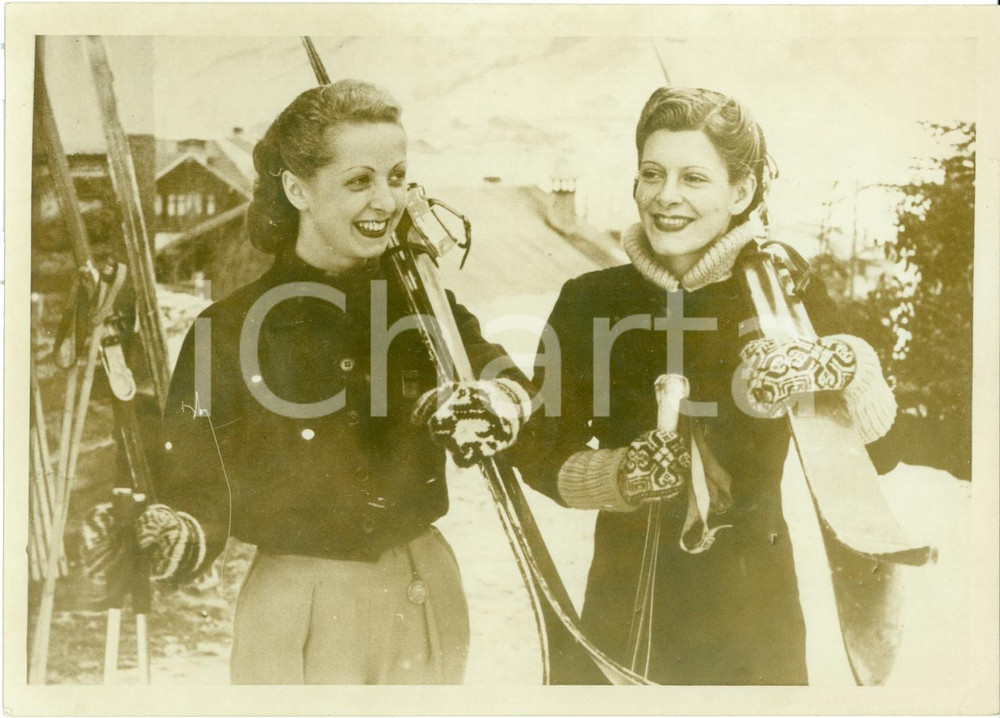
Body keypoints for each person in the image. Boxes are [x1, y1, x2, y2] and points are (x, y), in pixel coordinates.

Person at [80, 79, 532, 685]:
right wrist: (176, 533)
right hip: (298, 608)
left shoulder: (424, 306)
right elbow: (196, 485)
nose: (386, 200)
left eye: (397, 177)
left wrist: (496, 401)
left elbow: (507, 379)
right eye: (359, 181)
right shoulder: (228, 329)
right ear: (298, 189)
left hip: (423, 590)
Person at [511, 86, 901, 685]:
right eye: (652, 173)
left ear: (741, 192)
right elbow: (538, 448)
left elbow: (882, 454)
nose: (666, 196)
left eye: (694, 178)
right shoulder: (592, 301)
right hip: (625, 609)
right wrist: (618, 475)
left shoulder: (781, 294)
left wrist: (847, 367)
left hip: (754, 620)